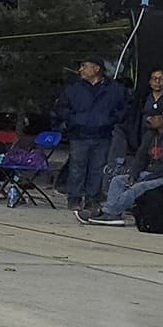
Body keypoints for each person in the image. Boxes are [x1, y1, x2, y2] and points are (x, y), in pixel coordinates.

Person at [80, 107, 163, 226]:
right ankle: (113, 213)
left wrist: (145, 177)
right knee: (117, 181)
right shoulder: (152, 133)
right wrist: (134, 174)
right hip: (153, 173)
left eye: (153, 116)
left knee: (138, 188)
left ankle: (109, 212)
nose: (148, 119)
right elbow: (141, 156)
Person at [54, 59, 127, 216]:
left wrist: (111, 120)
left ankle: (92, 198)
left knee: (98, 168)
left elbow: (124, 107)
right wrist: (73, 120)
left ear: (96, 69)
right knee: (76, 167)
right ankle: (74, 197)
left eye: (84, 67)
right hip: (79, 134)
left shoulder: (114, 89)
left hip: (103, 134)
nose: (80, 70)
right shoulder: (74, 89)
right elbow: (62, 108)